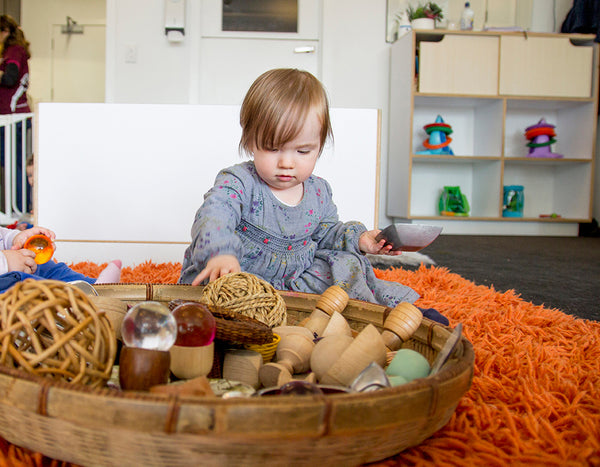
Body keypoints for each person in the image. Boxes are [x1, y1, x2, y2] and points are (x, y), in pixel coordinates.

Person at [179, 68, 447, 322]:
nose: (287, 163)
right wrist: (221, 253)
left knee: (347, 264)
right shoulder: (238, 181)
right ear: (250, 141)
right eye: (273, 149)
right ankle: (258, 311)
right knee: (220, 296)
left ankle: (388, 312)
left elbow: (327, 234)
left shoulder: (319, 191)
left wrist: (362, 239)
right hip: (242, 275)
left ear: (319, 146)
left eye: (303, 151)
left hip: (295, 279)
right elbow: (214, 215)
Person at [0, 224, 122, 292]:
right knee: (22, 282)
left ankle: (95, 286)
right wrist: (6, 262)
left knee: (45, 266)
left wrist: (15, 238)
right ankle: (73, 298)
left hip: (14, 261)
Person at [0, 14, 30, 114]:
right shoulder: (9, 51)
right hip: (11, 111)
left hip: (13, 112)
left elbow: (10, 78)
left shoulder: (14, 50)